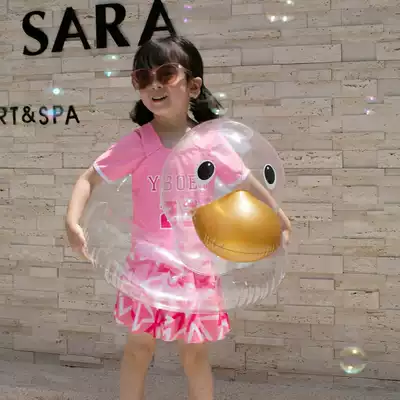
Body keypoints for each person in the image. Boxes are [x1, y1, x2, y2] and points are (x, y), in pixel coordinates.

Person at [65, 35, 292, 400]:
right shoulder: (139, 142)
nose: (154, 85)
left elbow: (245, 181)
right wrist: (72, 222)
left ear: (193, 86)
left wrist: (276, 215)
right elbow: (89, 179)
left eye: (166, 74)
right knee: (139, 349)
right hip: (148, 266)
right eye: (143, 77)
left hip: (195, 267)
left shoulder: (209, 142)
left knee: (194, 354)